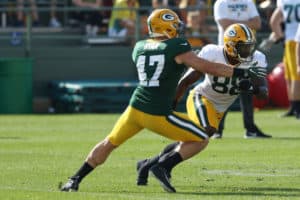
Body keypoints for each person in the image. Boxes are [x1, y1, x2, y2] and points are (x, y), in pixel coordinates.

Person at [60, 9, 266, 193]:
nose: (178, 30)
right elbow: (207, 68)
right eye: (175, 26)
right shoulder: (178, 45)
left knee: (109, 143)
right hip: (157, 112)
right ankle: (161, 167)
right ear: (167, 28)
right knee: (201, 138)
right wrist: (241, 72)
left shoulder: (139, 46)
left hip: (135, 107)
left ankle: (75, 179)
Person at [136, 23, 269, 187]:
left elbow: (263, 92)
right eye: (243, 47)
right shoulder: (212, 53)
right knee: (204, 133)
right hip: (201, 97)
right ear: (230, 46)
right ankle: (164, 166)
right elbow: (186, 81)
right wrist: (172, 102)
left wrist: (251, 88)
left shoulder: (257, 58)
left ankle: (147, 164)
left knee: (192, 139)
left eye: (250, 47)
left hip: (219, 109)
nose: (248, 52)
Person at [213, 0, 271, 138]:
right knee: (225, 92)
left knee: (247, 91)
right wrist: (246, 22)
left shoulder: (248, 2)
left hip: (246, 51)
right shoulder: (221, 3)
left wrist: (236, 25)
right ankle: (217, 129)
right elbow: (225, 25)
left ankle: (250, 129)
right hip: (227, 54)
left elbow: (257, 23)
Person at [260, 0, 300, 119]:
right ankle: (296, 108)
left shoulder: (284, 1)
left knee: (291, 75)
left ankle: (294, 106)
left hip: (289, 40)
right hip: (296, 39)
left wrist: (279, 36)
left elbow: (274, 21)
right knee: (294, 75)